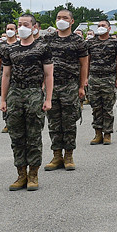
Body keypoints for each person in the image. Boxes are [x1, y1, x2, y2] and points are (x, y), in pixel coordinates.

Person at [0, 14, 54, 191]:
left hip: (33, 93)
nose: (21, 27)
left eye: (25, 24)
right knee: (16, 136)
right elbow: (6, 75)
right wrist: (3, 99)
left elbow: (48, 75)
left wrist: (48, 99)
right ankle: (21, 174)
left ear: (33, 27)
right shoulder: (11, 49)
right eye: (19, 24)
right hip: (15, 93)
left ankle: (33, 174)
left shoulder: (42, 48)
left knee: (33, 136)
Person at [43, 9, 88, 172]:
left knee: (69, 122)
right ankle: (56, 155)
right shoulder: (47, 39)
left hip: (70, 85)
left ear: (72, 21)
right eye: (58, 17)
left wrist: (82, 86)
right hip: (52, 86)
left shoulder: (78, 41)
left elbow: (84, 64)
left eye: (65, 18)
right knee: (54, 121)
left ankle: (68, 155)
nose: (61, 20)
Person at [85, 20, 117, 145]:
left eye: (103, 26)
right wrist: (85, 78)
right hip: (94, 78)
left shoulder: (115, 43)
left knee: (107, 108)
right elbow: (87, 62)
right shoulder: (91, 43)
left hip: (108, 78)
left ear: (109, 28)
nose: (101, 28)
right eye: (99, 26)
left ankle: (107, 134)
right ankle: (98, 133)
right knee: (96, 108)